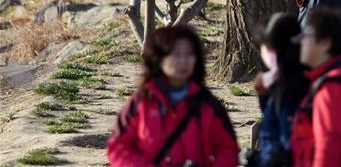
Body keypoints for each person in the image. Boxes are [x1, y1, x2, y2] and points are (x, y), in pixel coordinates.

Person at [107, 25, 239, 167]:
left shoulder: (208, 104)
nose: (183, 61)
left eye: (189, 54)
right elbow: (118, 149)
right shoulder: (141, 103)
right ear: (159, 59)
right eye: (176, 54)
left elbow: (228, 150)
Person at [290, 7, 341, 167]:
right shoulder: (339, 78)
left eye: (305, 36)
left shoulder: (331, 89)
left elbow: (328, 146)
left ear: (325, 43)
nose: (300, 41)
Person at [250, 13, 307, 167]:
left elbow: (285, 141)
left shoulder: (290, 88)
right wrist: (264, 96)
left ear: (271, 50)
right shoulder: (301, 78)